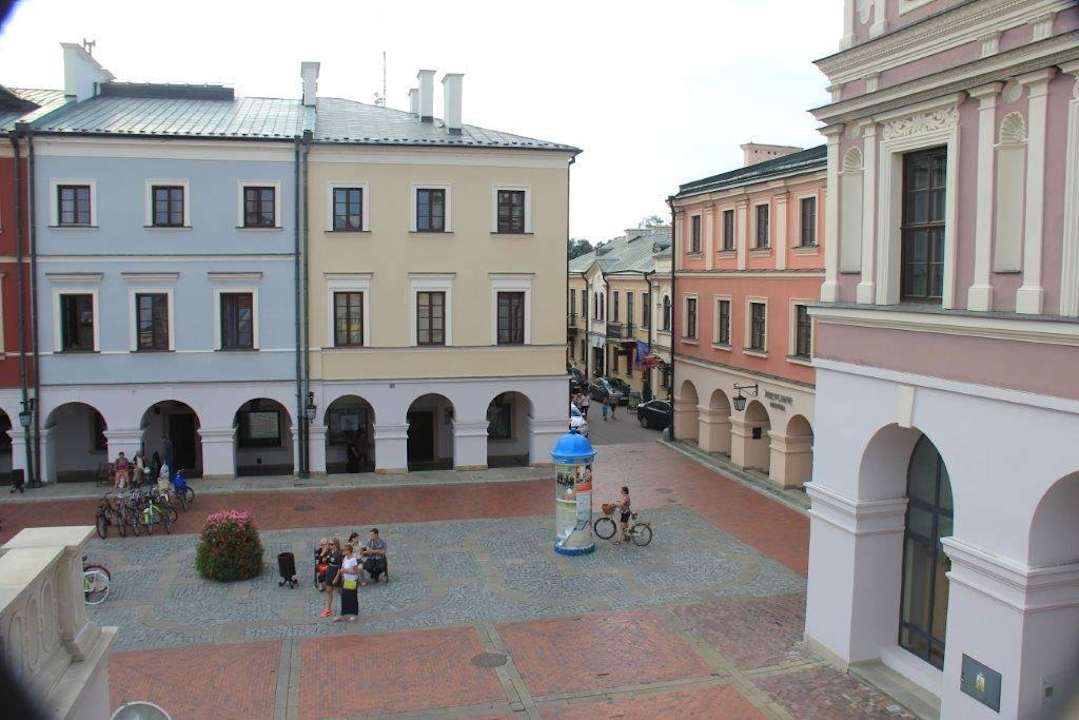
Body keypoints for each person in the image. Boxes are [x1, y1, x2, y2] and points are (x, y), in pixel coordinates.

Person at [334, 544, 360, 623]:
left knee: (352, 597)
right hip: (346, 580)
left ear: (349, 551)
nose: (343, 551)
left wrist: (346, 571)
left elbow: (356, 572)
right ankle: (343, 614)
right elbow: (342, 568)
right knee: (344, 597)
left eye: (345, 550)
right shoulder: (345, 558)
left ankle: (354, 614)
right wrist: (341, 576)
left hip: (352, 581)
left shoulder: (353, 560)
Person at [320, 538, 343, 618]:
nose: (330, 545)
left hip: (336, 572)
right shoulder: (329, 551)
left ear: (336, 545)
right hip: (329, 571)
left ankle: (348, 607)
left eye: (331, 544)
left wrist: (337, 577)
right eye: (329, 544)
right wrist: (324, 550)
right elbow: (322, 558)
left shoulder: (339, 554)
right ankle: (328, 609)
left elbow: (340, 567)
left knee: (340, 591)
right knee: (328, 590)